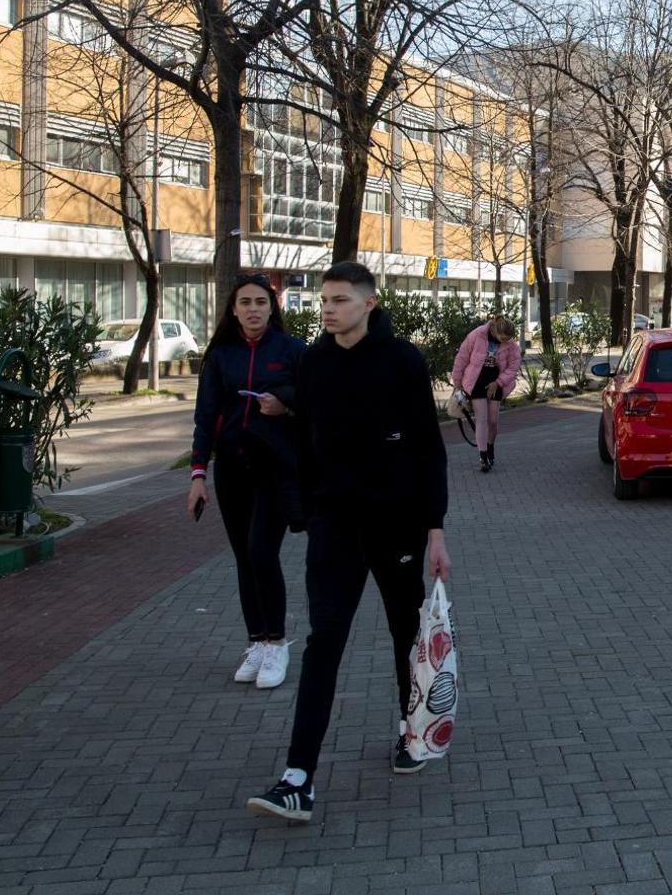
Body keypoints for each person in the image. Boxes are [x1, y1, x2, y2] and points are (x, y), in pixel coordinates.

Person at [247, 261, 451, 824]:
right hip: (333, 527)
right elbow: (307, 439)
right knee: (323, 644)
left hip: (396, 526)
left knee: (404, 635)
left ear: (368, 302)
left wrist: (435, 528)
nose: (328, 308)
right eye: (324, 300)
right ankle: (298, 779)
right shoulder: (315, 362)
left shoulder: (403, 361)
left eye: (339, 299)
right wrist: (307, 509)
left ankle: (412, 735)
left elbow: (429, 450)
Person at [188, 274, 306, 690]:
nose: (253, 309)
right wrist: (198, 474)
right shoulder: (221, 355)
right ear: (233, 309)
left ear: (273, 307)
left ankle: (277, 643)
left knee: (261, 550)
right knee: (243, 557)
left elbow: (315, 404)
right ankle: (256, 641)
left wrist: (285, 404)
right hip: (232, 471)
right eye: (245, 302)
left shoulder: (292, 351)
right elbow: (205, 417)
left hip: (274, 470)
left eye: (261, 301)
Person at [451, 315, 521, 473]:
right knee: (481, 419)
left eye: (509, 338)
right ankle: (483, 457)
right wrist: (457, 383)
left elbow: (513, 367)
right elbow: (461, 358)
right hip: (476, 381)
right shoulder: (477, 335)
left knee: (493, 421)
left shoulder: (511, 345)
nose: (506, 341)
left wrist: (498, 383)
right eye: (503, 338)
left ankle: (490, 447)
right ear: (495, 330)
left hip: (496, 383)